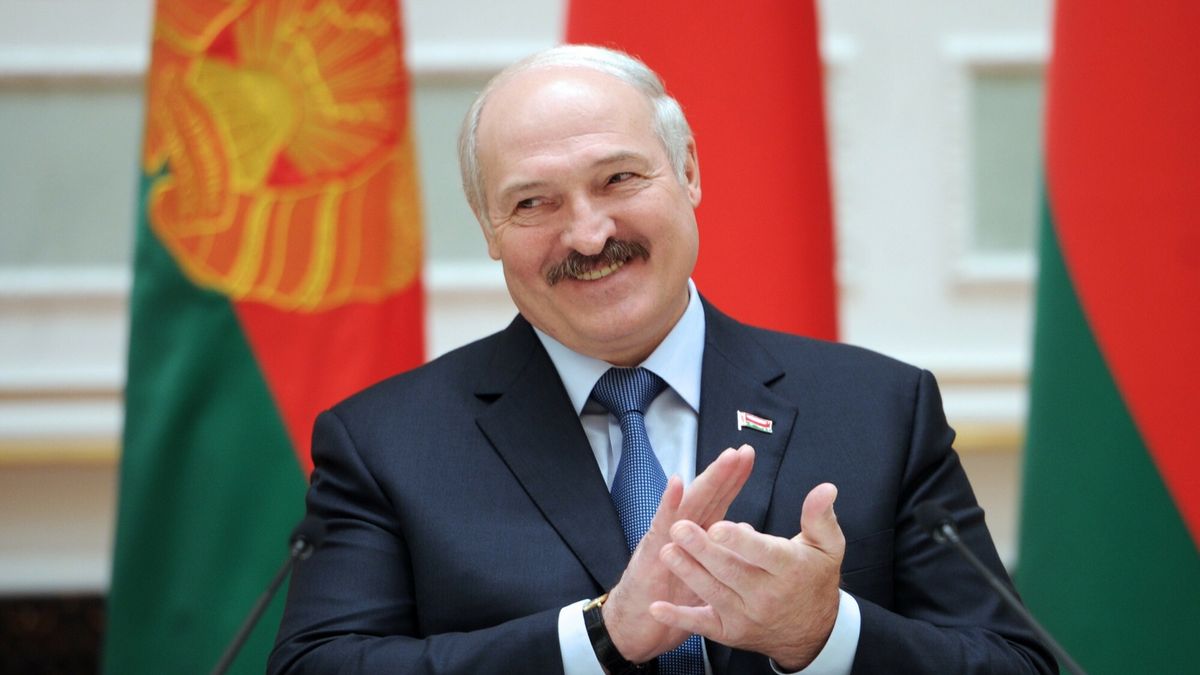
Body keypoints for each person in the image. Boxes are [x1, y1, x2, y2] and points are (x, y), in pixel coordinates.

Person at [269, 45, 1056, 674]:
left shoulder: (878, 409)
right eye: (534, 202)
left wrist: (825, 633)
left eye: (618, 179)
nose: (588, 234)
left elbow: (1016, 663)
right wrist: (597, 637)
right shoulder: (385, 442)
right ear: (487, 227)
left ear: (688, 174)